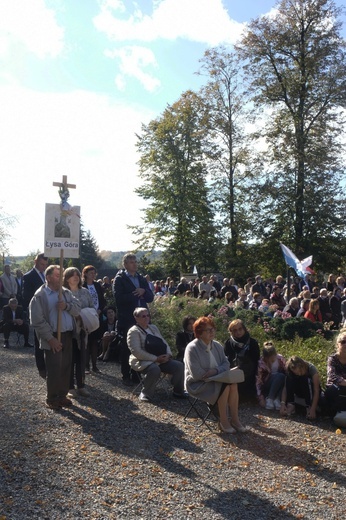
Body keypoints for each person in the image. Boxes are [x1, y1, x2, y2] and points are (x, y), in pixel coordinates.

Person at [29, 265, 81, 410]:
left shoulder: (65, 293)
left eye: (62, 275)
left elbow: (77, 309)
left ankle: (62, 395)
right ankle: (52, 398)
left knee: (66, 367)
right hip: (52, 336)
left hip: (67, 334)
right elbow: (37, 321)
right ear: (48, 277)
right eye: (58, 275)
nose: (61, 278)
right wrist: (50, 339)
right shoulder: (40, 296)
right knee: (54, 368)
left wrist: (66, 306)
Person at [184, 316, 246, 433]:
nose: (212, 332)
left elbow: (226, 364)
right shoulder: (192, 348)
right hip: (198, 383)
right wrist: (215, 375)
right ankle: (223, 421)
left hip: (217, 378)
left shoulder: (217, 345)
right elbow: (196, 374)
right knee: (225, 386)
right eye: (208, 330)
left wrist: (215, 371)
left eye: (213, 329)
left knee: (233, 385)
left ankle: (235, 419)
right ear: (199, 333)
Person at [127, 307, 186, 402]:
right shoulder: (133, 331)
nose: (146, 318)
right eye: (143, 316)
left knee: (179, 366)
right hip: (143, 361)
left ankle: (178, 392)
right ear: (136, 318)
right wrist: (155, 359)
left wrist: (168, 355)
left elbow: (164, 342)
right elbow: (136, 351)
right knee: (154, 369)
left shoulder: (153, 328)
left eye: (148, 315)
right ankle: (146, 393)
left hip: (161, 358)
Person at [113, 253, 154, 386]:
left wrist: (144, 292)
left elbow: (150, 297)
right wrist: (135, 295)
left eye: (135, 261)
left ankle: (137, 375)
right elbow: (118, 299)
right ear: (125, 264)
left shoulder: (141, 278)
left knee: (142, 346)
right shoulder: (120, 279)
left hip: (143, 318)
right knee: (127, 347)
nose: (134, 264)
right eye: (131, 262)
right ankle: (126, 375)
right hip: (128, 318)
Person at [63, 267, 94, 397]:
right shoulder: (63, 293)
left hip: (83, 329)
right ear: (66, 278)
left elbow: (92, 306)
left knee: (81, 358)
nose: (75, 277)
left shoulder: (85, 292)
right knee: (69, 358)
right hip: (69, 329)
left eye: (77, 274)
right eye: (71, 275)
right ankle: (70, 387)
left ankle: (81, 385)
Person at [23, 253, 49, 378]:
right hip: (37, 311)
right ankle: (41, 368)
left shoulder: (47, 275)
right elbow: (27, 297)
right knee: (38, 340)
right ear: (35, 262)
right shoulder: (28, 277)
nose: (43, 267)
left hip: (49, 312)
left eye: (45, 265)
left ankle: (50, 365)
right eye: (41, 264)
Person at [224, 319, 260, 399]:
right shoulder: (229, 343)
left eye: (240, 329)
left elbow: (255, 360)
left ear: (244, 329)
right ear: (231, 332)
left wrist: (240, 367)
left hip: (248, 373)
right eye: (235, 330)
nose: (238, 332)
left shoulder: (252, 343)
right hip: (232, 372)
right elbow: (226, 358)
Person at [82, 265, 106, 373]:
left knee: (95, 342)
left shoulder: (97, 285)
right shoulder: (82, 285)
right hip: (87, 316)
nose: (93, 275)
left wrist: (100, 309)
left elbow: (102, 299)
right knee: (86, 342)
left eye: (94, 273)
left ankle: (95, 365)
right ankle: (86, 365)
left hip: (97, 315)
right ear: (85, 274)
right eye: (91, 273)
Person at [256, 342, 286, 410]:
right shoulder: (261, 363)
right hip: (267, 383)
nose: (272, 361)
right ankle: (270, 398)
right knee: (280, 376)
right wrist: (260, 397)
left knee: (283, 377)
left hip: (279, 382)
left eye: (273, 358)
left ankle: (277, 399)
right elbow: (258, 381)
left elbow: (286, 371)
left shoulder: (280, 359)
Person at [325, 332, 346, 415]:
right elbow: (332, 376)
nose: (345, 345)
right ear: (338, 344)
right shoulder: (332, 359)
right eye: (343, 342)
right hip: (335, 388)